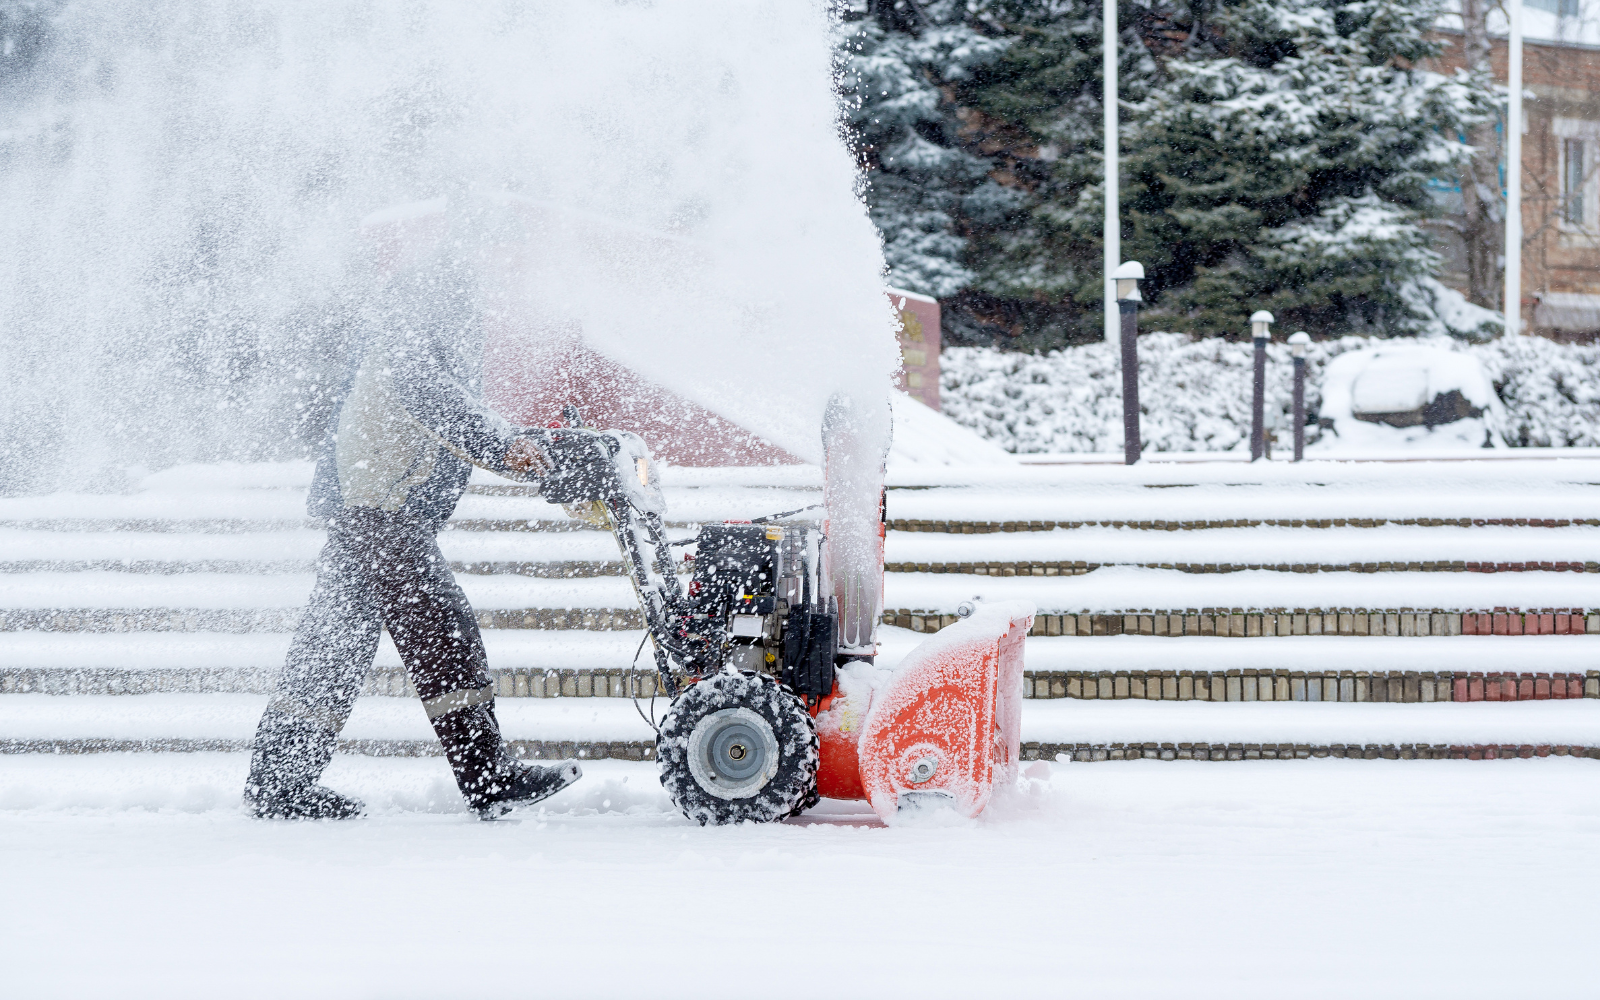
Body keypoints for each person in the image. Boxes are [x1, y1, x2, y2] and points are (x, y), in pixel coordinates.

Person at [244, 249, 583, 820]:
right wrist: (503, 447)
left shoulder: (406, 346)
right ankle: (489, 778)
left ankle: (278, 780)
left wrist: (534, 443)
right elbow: (439, 402)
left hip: (366, 516)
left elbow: (454, 410)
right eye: (467, 310)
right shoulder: (407, 349)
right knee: (445, 636)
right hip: (381, 517)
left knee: (333, 649)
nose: (475, 323)